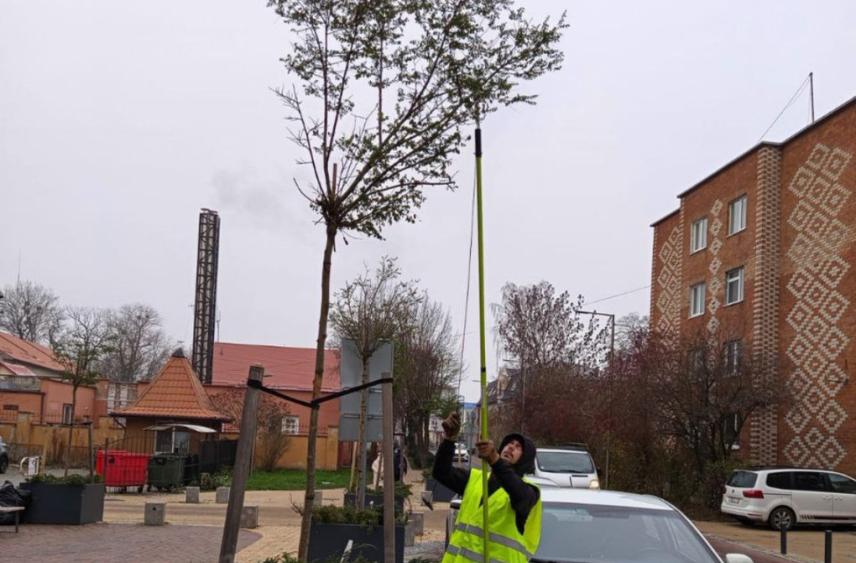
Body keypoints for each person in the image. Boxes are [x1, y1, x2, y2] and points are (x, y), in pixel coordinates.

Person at [434, 412, 542, 562]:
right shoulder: (476, 478)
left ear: (525, 459)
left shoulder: (530, 491)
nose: (511, 447)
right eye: (508, 443)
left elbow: (518, 492)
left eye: (518, 447)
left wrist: (496, 461)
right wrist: (449, 440)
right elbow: (441, 472)